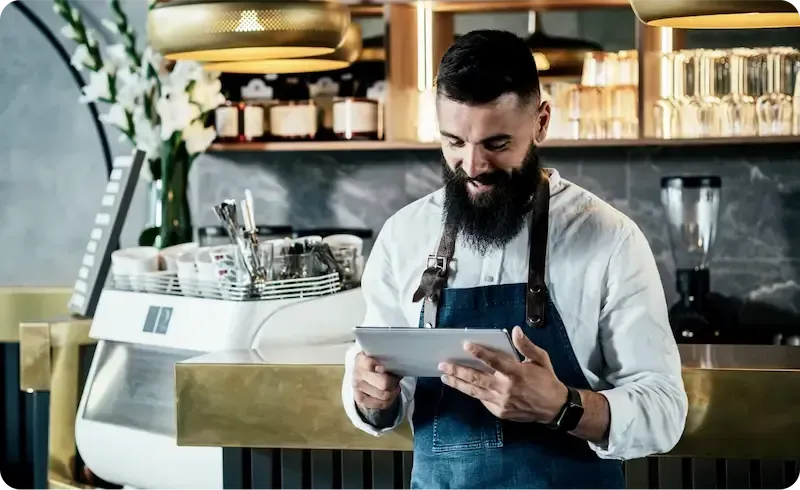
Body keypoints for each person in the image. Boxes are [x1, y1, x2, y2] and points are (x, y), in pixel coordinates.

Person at [341, 29, 687, 489]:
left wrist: (563, 407)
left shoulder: (611, 239)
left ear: (541, 122)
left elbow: (664, 410)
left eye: (496, 144)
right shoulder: (404, 235)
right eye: (454, 142)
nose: (472, 166)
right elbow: (384, 393)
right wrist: (372, 398)